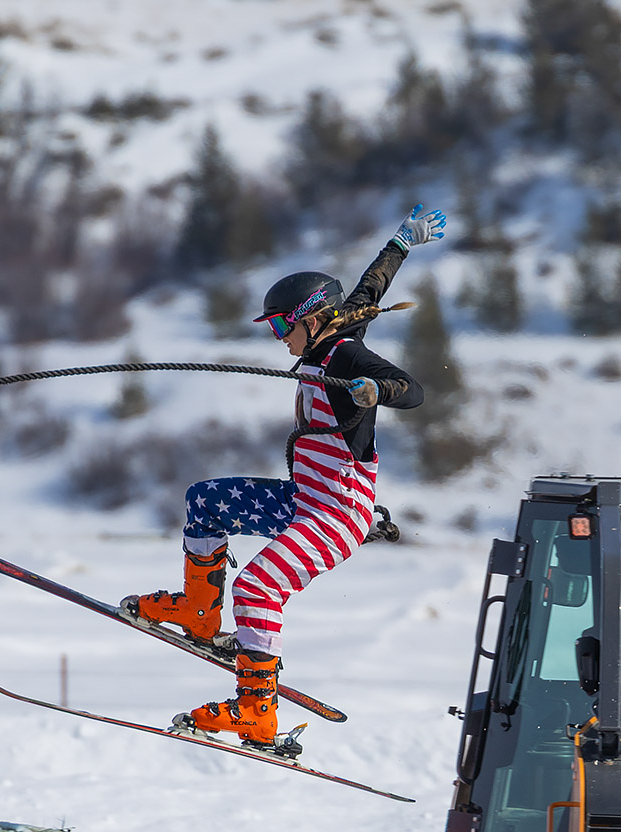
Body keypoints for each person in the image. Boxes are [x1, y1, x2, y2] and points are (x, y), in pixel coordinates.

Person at [126, 205, 446, 747]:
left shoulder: (347, 356)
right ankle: (200, 613)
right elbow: (370, 287)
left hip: (337, 513)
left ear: (310, 319)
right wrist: (401, 241)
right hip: (304, 499)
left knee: (258, 587)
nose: (279, 338)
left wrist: (376, 391)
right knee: (204, 500)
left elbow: (412, 390)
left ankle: (257, 711)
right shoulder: (335, 326)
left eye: (281, 325)